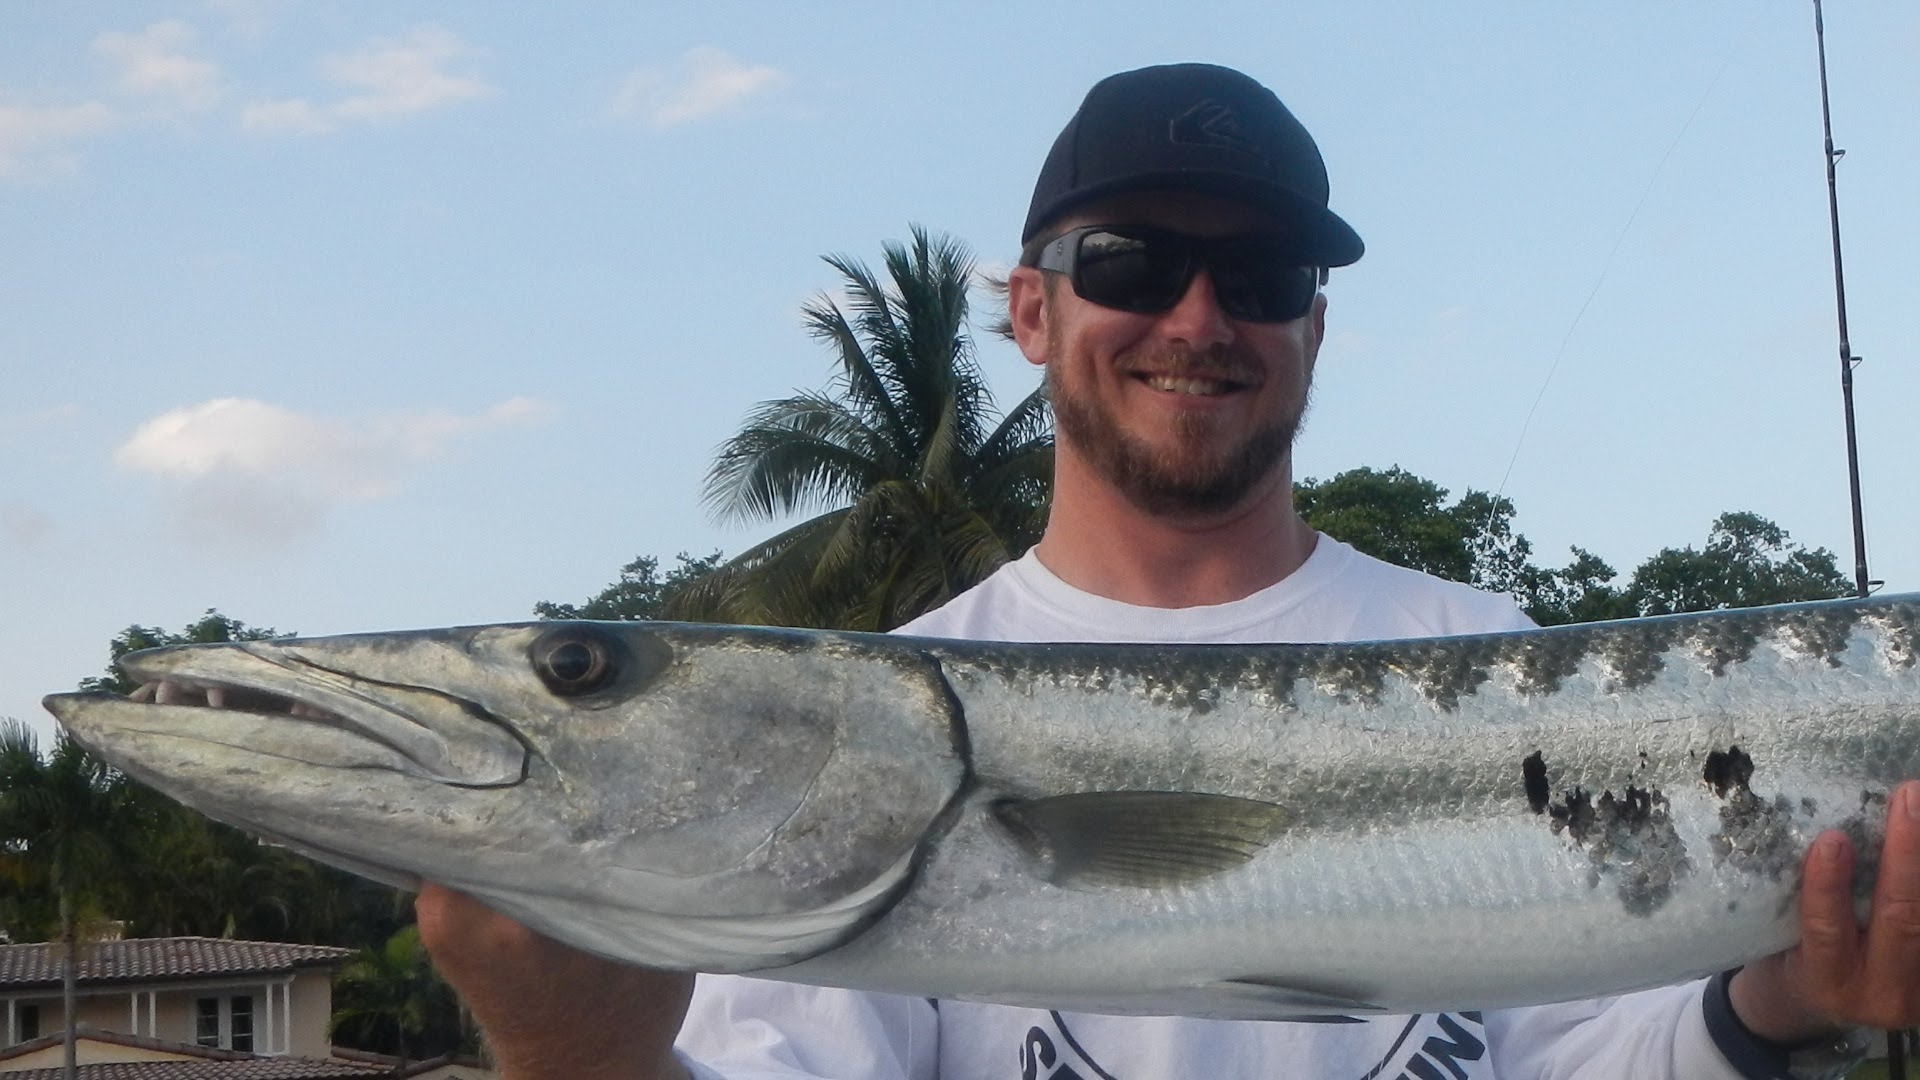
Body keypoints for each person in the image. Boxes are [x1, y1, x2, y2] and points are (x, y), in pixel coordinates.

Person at [418, 63, 1918, 1080]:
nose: (1201, 319)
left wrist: (1789, 998)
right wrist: (582, 1058)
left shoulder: (1489, 644)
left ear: (1314, 329)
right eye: (1133, 263)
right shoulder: (858, 748)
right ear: (1028, 308)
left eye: (1263, 280)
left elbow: (1601, 1056)